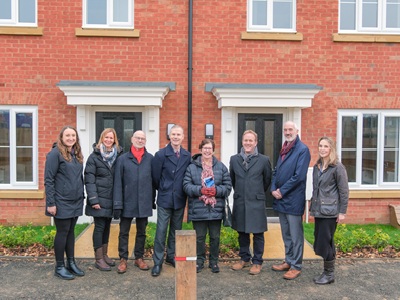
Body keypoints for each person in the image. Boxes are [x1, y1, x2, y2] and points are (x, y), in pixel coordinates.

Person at [183, 139, 232, 273]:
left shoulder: (221, 167)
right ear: (200, 149)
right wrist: (200, 190)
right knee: (199, 237)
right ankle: (199, 261)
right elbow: (186, 186)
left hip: (216, 208)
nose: (207, 151)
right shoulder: (192, 167)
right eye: (204, 148)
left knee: (215, 237)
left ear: (213, 150)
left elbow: (228, 186)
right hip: (198, 208)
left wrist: (216, 191)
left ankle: (214, 262)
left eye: (209, 148)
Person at [271, 121, 311, 280]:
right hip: (281, 200)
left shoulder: (302, 150)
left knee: (295, 235)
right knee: (286, 233)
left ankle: (296, 265)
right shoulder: (284, 149)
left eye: (290, 129)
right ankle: (288, 260)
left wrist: (282, 190)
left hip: (293, 199)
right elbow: (276, 171)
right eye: (285, 130)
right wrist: (273, 188)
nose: (287, 132)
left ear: (297, 131)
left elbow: (299, 176)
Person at [44, 126, 85, 280]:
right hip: (61, 201)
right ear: (61, 137)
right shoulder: (55, 154)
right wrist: (51, 203)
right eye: (67, 135)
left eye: (73, 135)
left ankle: (71, 263)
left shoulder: (76, 154)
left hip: (75, 200)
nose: (70, 138)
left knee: (71, 232)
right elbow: (49, 179)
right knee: (62, 232)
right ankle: (59, 266)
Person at [229, 130, 272, 275]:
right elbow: (233, 180)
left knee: (258, 233)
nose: (248, 143)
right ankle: (244, 258)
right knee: (242, 232)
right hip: (241, 200)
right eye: (245, 140)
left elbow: (267, 180)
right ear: (242, 142)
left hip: (256, 201)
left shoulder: (264, 160)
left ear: (256, 143)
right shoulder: (234, 159)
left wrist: (255, 192)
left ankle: (257, 261)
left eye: (250, 141)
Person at [151, 124, 191, 276]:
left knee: (176, 231)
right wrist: (164, 188)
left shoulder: (186, 155)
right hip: (165, 198)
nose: (175, 137)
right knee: (161, 231)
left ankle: (171, 256)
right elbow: (155, 177)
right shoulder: (161, 154)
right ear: (169, 136)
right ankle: (157, 262)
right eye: (173, 134)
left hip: (180, 199)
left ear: (182, 137)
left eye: (178, 134)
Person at [113, 130, 155, 274]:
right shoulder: (122, 159)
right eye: (138, 138)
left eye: (143, 138)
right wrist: (117, 203)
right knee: (124, 231)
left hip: (144, 200)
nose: (140, 140)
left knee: (141, 232)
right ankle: (123, 259)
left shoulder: (150, 159)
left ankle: (139, 257)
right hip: (127, 201)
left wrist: (152, 200)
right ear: (132, 139)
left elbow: (154, 182)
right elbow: (117, 182)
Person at [310, 136, 349, 285]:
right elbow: (316, 189)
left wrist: (342, 212)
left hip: (331, 211)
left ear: (331, 149)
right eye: (320, 146)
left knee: (326, 241)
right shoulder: (317, 166)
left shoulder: (337, 167)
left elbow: (344, 190)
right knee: (320, 240)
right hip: (319, 210)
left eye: (326, 146)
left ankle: (329, 274)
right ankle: (326, 272)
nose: (322, 149)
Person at [84, 128, 123, 271]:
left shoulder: (118, 155)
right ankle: (98, 258)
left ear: (115, 140)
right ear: (102, 138)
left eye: (111, 138)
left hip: (111, 199)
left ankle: (105, 255)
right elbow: (89, 179)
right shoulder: (94, 157)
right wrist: (94, 199)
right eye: (106, 137)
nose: (108, 140)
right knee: (99, 227)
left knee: (107, 227)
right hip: (99, 199)